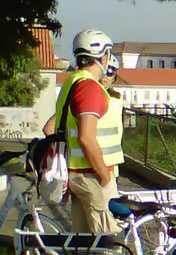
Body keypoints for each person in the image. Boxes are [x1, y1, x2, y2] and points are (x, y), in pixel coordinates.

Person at [53, 29, 124, 233]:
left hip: (75, 172)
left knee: (83, 242)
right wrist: (105, 176)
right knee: (110, 240)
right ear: (103, 56)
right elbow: (86, 137)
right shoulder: (90, 87)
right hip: (91, 174)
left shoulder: (71, 81)